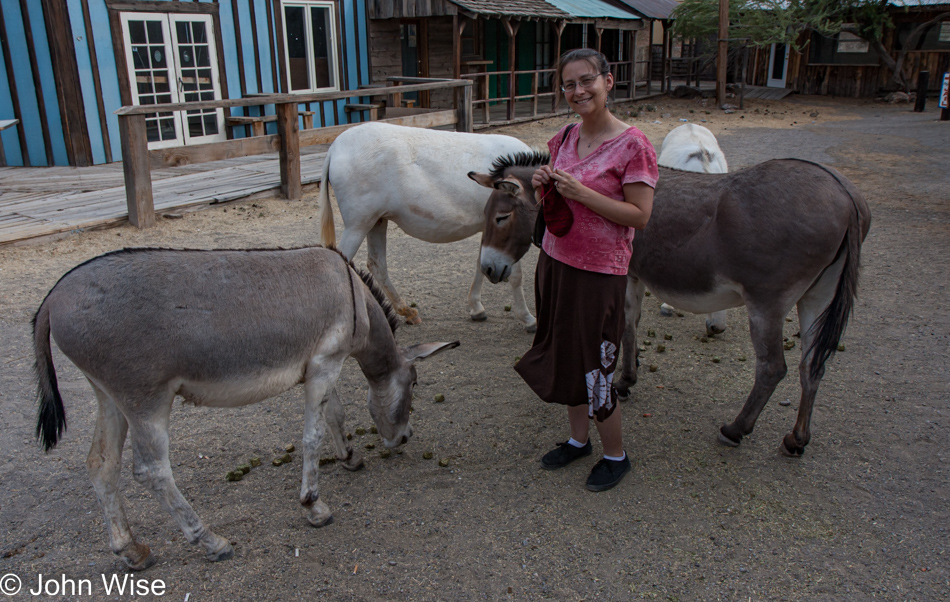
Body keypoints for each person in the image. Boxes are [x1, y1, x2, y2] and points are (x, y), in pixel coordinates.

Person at [515, 48, 658, 492]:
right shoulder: (562, 138)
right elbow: (557, 205)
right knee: (565, 355)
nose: (579, 91)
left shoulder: (633, 145)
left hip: (599, 275)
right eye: (570, 84)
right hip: (555, 263)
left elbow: (639, 215)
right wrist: (544, 184)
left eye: (587, 80)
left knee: (596, 365)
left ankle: (616, 455)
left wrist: (580, 192)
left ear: (608, 82)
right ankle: (579, 440)